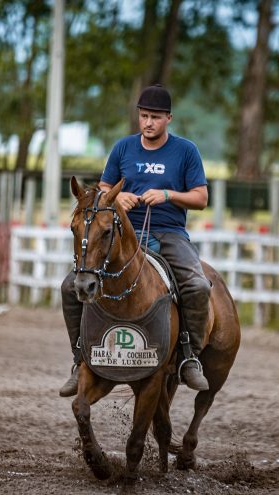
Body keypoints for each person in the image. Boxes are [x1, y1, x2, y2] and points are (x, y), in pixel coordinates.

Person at [60, 84, 211, 396]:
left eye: (155, 117)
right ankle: (80, 360)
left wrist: (169, 194)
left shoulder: (186, 151)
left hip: (168, 232)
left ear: (168, 118)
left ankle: (188, 358)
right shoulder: (123, 148)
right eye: (143, 116)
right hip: (122, 233)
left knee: (196, 285)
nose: (148, 123)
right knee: (69, 286)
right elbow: (102, 191)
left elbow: (201, 198)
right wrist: (121, 197)